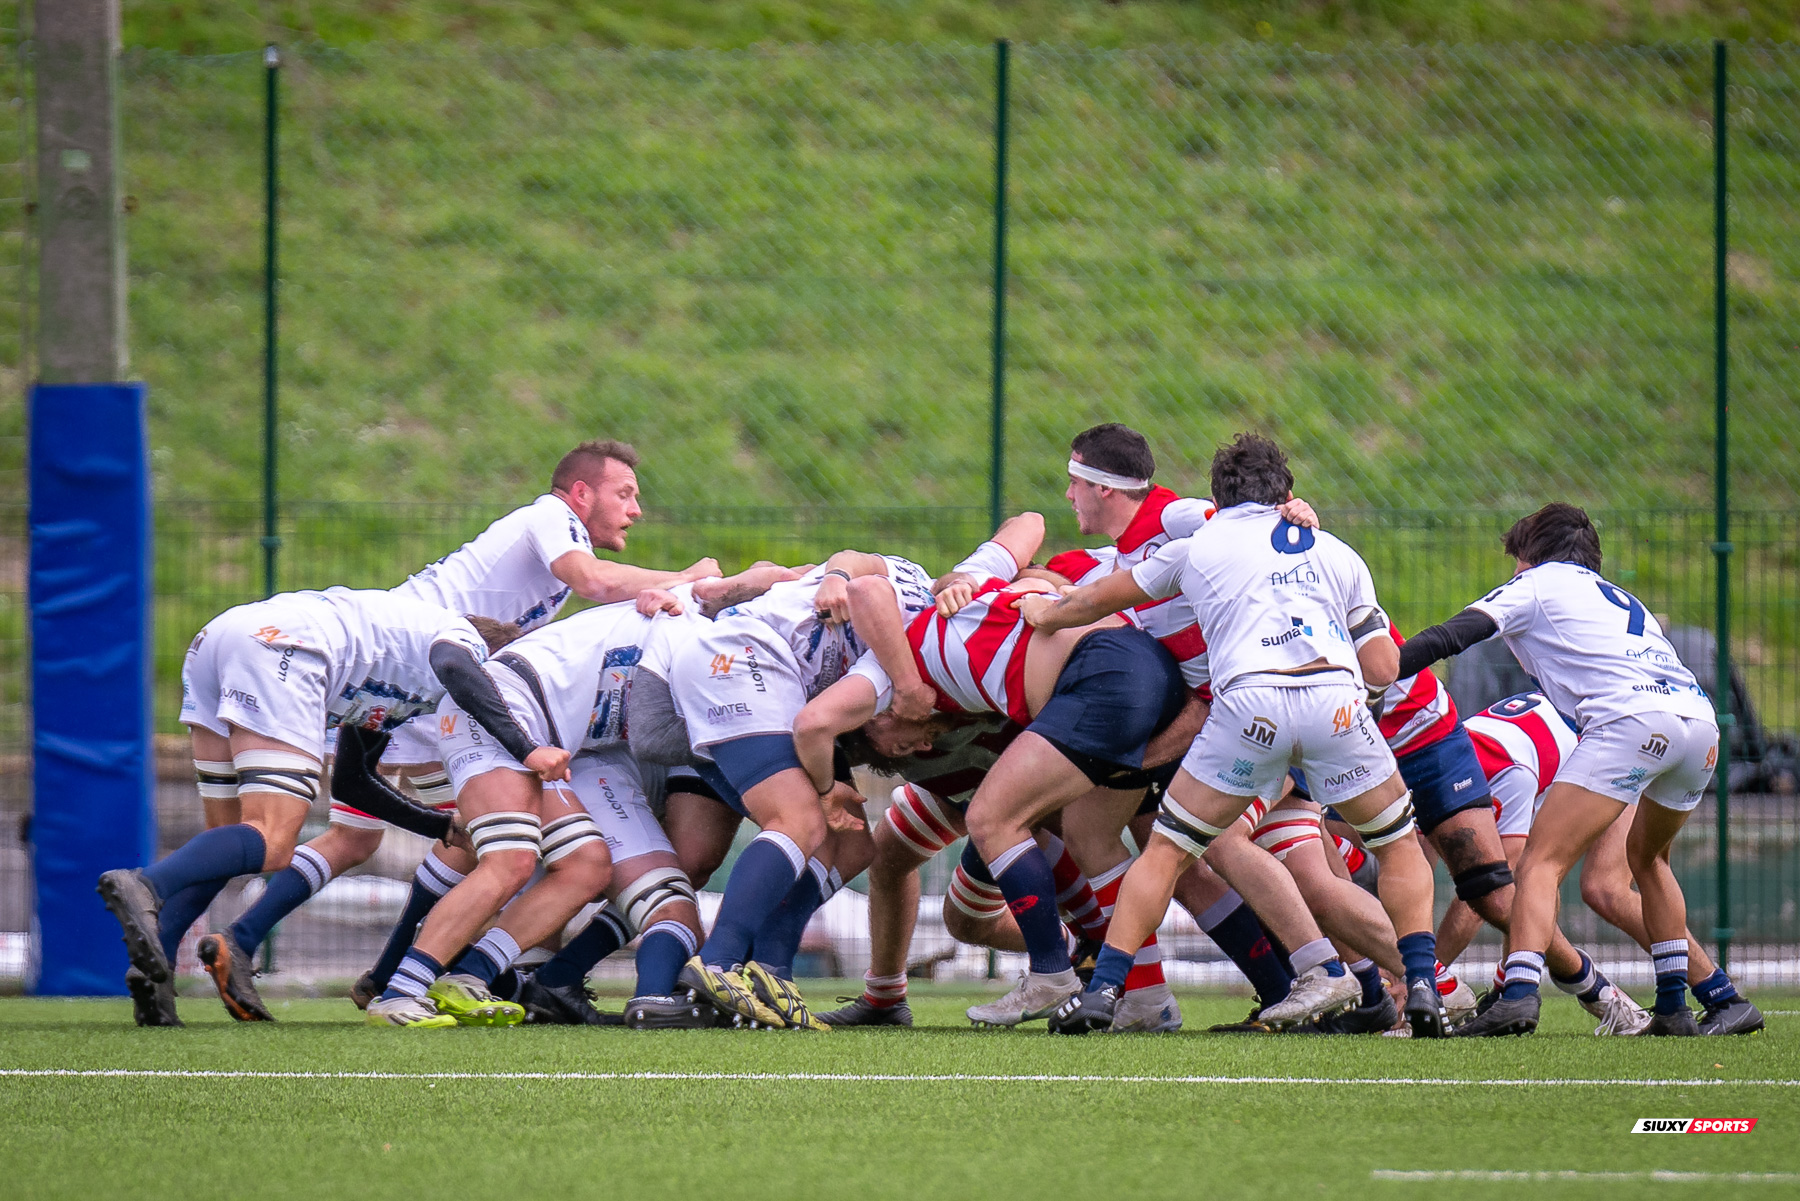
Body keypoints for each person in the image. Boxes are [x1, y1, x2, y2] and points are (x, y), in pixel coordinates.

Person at [180, 439, 720, 1023]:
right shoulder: (550, 516)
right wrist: (685, 579)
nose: (635, 509)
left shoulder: (549, 552)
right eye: (625, 494)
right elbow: (593, 580)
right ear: (582, 494)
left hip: (409, 682)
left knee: (373, 839)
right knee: (511, 848)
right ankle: (410, 980)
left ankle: (254, 942)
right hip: (433, 678)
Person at [1020, 433, 1452, 1037]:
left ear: (1218, 499)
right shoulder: (1336, 551)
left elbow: (1095, 601)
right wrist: (1359, 707)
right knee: (1397, 846)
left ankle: (1107, 989)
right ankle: (1426, 986)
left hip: (1249, 708)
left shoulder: (1197, 545)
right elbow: (1382, 664)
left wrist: (1044, 611)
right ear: (1288, 495)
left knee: (1170, 850)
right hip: (1336, 706)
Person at [794, 514, 1197, 1028]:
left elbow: (1024, 530)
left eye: (893, 739)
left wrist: (843, 585)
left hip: (1096, 682)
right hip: (1114, 681)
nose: (908, 745)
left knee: (1009, 826)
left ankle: (1070, 965)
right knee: (954, 886)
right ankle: (1132, 987)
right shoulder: (900, 686)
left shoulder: (902, 649)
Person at [97, 588, 515, 1026]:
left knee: (227, 842)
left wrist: (440, 826)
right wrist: (527, 752)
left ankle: (155, 974)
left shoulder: (397, 672)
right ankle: (145, 884)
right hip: (283, 651)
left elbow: (354, 783)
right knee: (274, 842)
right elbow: (457, 668)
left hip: (221, 639)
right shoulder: (466, 647)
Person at [1396, 503, 1738, 1037]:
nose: (1512, 573)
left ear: (1531, 558)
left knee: (1539, 863)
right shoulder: (1623, 598)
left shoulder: (1536, 584)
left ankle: (1519, 997)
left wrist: (1372, 672)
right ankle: (1685, 1005)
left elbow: (1451, 635)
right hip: (1699, 723)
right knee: (1648, 863)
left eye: (1516, 561)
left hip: (1628, 722)